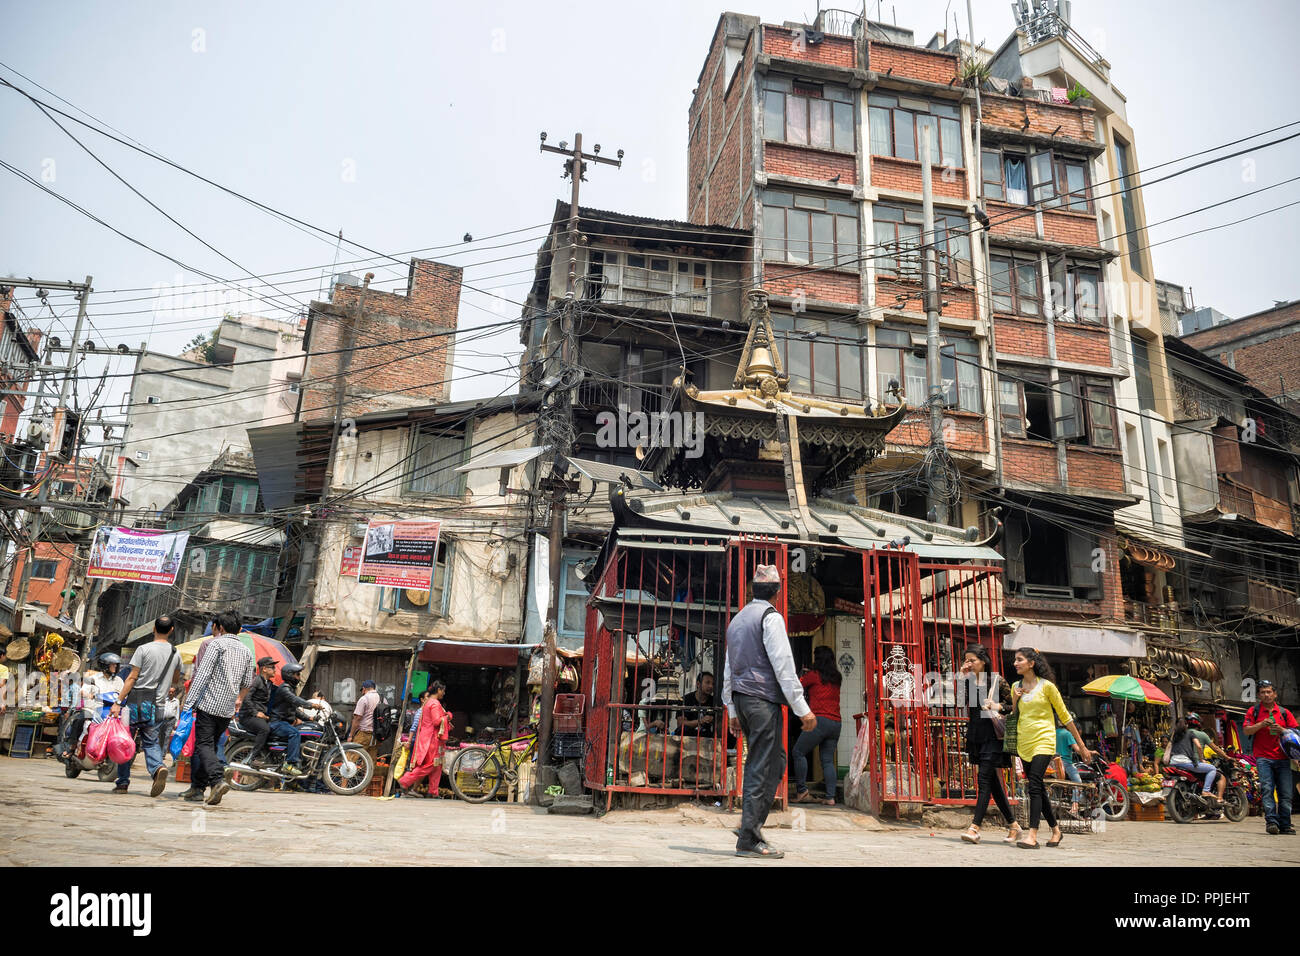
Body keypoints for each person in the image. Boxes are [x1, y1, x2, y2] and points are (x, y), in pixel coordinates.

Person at [723, 564, 816, 859]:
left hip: (743, 699)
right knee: (761, 764)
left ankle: (750, 823)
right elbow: (783, 666)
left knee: (775, 760)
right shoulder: (770, 618)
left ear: (754, 590)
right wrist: (803, 709)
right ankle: (749, 838)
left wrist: (731, 708)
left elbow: (729, 666)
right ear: (777, 592)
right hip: (762, 701)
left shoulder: (737, 620)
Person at [1010, 647, 1094, 849]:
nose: (1015, 663)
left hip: (1044, 740)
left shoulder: (1047, 687)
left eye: (1020, 659)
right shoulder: (1016, 686)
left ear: (1031, 663)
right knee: (1036, 787)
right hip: (1024, 742)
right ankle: (1056, 830)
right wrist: (1015, 698)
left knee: (1035, 783)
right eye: (1015, 660)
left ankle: (1032, 835)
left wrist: (1082, 747)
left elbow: (1065, 717)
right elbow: (1014, 715)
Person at [180, 610, 255, 806]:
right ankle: (199, 787)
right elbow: (248, 681)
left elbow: (203, 674)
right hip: (228, 708)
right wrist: (238, 699)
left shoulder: (216, 644)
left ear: (220, 628)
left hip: (209, 704)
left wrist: (188, 703)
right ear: (239, 629)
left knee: (203, 745)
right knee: (210, 746)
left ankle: (217, 779)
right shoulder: (247, 651)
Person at [110, 614, 183, 797]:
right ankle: (158, 768)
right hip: (158, 706)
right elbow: (175, 681)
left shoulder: (143, 649)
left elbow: (132, 677)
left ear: (153, 629)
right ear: (171, 630)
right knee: (151, 743)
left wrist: (118, 702)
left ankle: (123, 782)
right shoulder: (176, 653)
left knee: (126, 742)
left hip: (136, 704)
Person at [958, 645, 1020, 845]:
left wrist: (998, 706)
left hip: (994, 736)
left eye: (972, 660)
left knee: (984, 779)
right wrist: (960, 677)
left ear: (983, 660)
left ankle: (974, 827)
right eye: (966, 660)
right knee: (992, 782)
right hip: (976, 734)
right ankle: (1014, 825)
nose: (969, 664)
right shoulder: (967, 681)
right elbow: (958, 702)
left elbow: (1014, 706)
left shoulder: (996, 680)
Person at [1244, 680, 1297, 835]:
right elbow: (1247, 731)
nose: (1266, 695)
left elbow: (1295, 734)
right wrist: (1261, 724)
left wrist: (1282, 729)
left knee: (1286, 793)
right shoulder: (1253, 711)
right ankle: (1272, 822)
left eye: (1269, 692)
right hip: (1263, 757)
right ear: (1259, 695)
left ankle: (1285, 824)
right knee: (1267, 789)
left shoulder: (1284, 712)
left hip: (1283, 757)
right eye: (1263, 692)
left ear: (1275, 694)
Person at [792, 646, 843, 806]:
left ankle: (802, 791)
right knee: (827, 760)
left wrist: (804, 674)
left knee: (798, 752)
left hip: (819, 721)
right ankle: (830, 797)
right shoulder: (837, 677)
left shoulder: (813, 675)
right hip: (836, 723)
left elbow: (797, 686)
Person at [64, 652, 125, 760]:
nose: (115, 667)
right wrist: (90, 695)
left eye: (116, 664)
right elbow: (83, 691)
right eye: (113, 664)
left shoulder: (119, 681)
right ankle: (72, 747)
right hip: (93, 708)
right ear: (105, 665)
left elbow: (123, 694)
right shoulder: (93, 678)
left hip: (111, 710)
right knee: (79, 720)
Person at [396, 681, 451, 797]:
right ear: (439, 690)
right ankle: (405, 781)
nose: (444, 693)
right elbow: (437, 721)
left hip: (426, 738)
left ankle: (433, 792)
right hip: (433, 739)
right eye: (443, 691)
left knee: (437, 766)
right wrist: (448, 716)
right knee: (431, 765)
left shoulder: (427, 703)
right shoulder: (435, 704)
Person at [266, 662, 318, 776]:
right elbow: (295, 700)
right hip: (277, 723)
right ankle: (290, 764)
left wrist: (310, 718)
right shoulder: (285, 689)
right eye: (297, 674)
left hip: (283, 723)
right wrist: (311, 705)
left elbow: (294, 710)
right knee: (295, 733)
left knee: (300, 732)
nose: (299, 677)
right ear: (290, 675)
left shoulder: (290, 688)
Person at [1165, 717, 1219, 806]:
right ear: (1186, 725)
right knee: (1212, 768)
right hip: (1186, 763)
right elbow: (1198, 746)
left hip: (1173, 763)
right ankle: (1205, 791)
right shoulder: (1190, 733)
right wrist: (1201, 760)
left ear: (1175, 725)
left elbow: (1169, 746)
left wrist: (1166, 759)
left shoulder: (1174, 735)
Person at [238, 657, 277, 767]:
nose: (275, 670)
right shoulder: (256, 680)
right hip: (248, 715)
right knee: (265, 729)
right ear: (264, 669)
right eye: (272, 667)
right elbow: (246, 698)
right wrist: (256, 713)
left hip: (260, 716)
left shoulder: (268, 683)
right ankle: (251, 758)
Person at [1185, 712, 1227, 803]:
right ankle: (1218, 798)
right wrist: (1227, 757)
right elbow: (1216, 748)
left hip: (1180, 764)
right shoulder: (1202, 735)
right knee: (1220, 776)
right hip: (1194, 765)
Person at [1054, 714, 1087, 817]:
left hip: (1053, 763)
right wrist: (1087, 752)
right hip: (1066, 763)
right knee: (1078, 783)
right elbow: (1077, 749)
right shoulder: (1068, 734)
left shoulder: (1053, 733)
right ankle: (1074, 806)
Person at [676, 672, 720, 737]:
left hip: (707, 736)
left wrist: (713, 719)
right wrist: (700, 721)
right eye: (707, 683)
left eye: (713, 684)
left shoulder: (715, 702)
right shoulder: (685, 700)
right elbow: (680, 723)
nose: (711, 686)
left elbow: (721, 722)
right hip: (689, 736)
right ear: (698, 684)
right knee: (683, 729)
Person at [350, 679, 382, 759]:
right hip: (377, 735)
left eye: (362, 690)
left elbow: (357, 718)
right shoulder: (382, 699)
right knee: (370, 760)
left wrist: (351, 735)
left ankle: (346, 771)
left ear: (364, 689)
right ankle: (369, 771)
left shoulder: (364, 699)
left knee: (352, 756)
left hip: (364, 733)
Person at [158, 686, 180, 757]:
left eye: (172, 692)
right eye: (169, 692)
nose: (170, 693)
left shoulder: (176, 701)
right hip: (163, 720)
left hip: (171, 721)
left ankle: (163, 754)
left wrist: (176, 723)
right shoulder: (164, 699)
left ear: (174, 693)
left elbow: (177, 712)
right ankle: (159, 751)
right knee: (161, 736)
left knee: (167, 736)